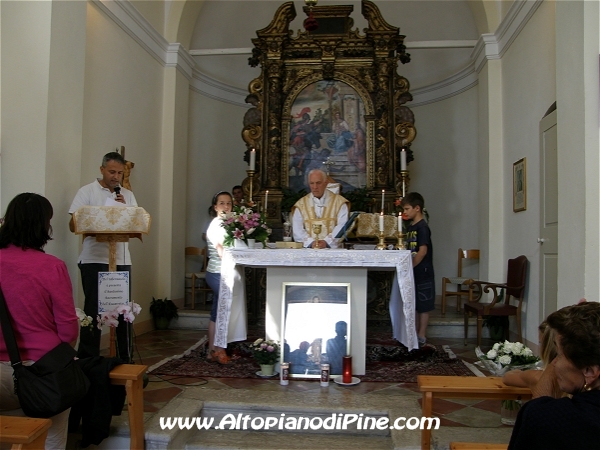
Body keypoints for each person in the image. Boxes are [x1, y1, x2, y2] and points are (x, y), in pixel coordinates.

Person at [0, 193, 80, 449]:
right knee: (51, 436)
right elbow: (67, 328)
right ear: (44, 226)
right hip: (41, 370)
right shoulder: (50, 267)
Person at [69, 151, 138, 361]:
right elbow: (73, 224)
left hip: (121, 260)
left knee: (123, 310)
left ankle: (125, 358)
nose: (116, 177)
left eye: (119, 172)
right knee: (93, 311)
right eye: (111, 172)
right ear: (101, 170)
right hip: (94, 259)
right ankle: (88, 360)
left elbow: (136, 223)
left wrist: (123, 207)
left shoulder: (127, 194)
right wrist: (99, 216)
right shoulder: (86, 192)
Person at [508, 302, 600, 449]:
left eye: (559, 354)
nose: (554, 363)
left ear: (589, 372)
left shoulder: (559, 418)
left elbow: (539, 417)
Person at [402, 192, 434, 346]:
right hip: (414, 271)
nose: (405, 212)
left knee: (424, 304)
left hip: (423, 271)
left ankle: (422, 334)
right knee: (414, 303)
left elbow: (422, 251)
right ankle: (413, 333)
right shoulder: (411, 227)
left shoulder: (422, 227)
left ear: (417, 208)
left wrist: (411, 266)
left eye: (407, 209)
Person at [205, 191, 234, 364]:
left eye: (229, 203)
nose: (225, 206)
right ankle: (219, 349)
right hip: (217, 273)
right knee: (225, 307)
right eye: (222, 203)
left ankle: (211, 350)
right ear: (215, 207)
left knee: (216, 311)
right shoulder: (217, 225)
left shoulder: (228, 224)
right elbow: (221, 250)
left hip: (223, 272)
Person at [503, 322, 562, 399]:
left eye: (540, 343)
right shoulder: (576, 379)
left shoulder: (537, 377)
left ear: (546, 348)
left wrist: (521, 372)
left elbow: (507, 377)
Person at [291, 169, 349, 249]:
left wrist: (326, 242)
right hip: (308, 251)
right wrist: (311, 243)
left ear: (325, 183)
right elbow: (297, 230)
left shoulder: (339, 203)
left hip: (333, 251)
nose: (315, 187)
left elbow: (342, 226)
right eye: (312, 183)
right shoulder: (301, 204)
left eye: (318, 183)